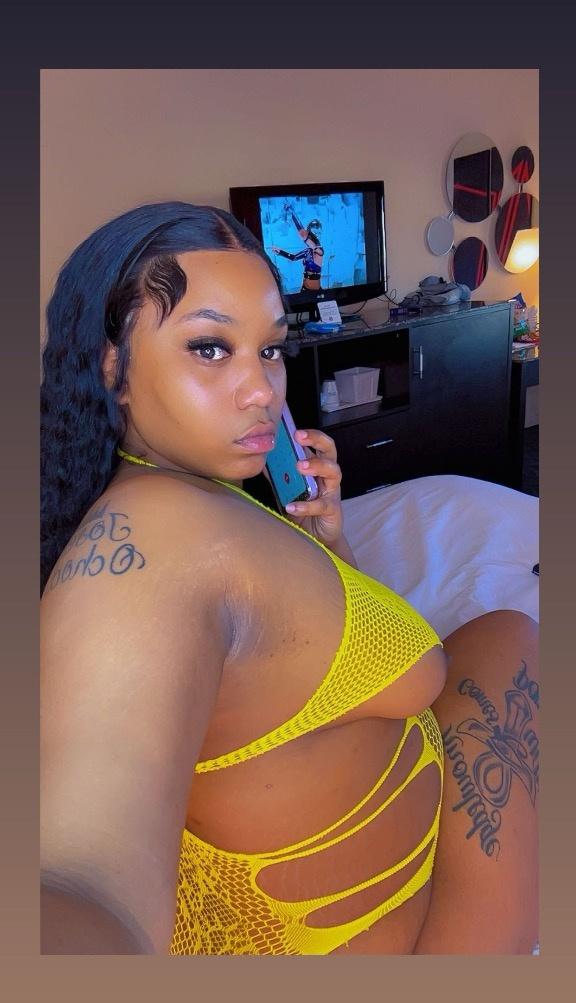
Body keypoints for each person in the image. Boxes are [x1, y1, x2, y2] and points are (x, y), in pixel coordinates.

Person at [41, 201, 539, 955]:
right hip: (394, 937)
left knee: (503, 636)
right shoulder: (146, 543)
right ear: (113, 369)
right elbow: (84, 873)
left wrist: (326, 541)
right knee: (513, 642)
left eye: (270, 348)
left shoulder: (192, 485)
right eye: (210, 348)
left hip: (387, 862)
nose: (262, 392)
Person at [270, 202, 324, 293]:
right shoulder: (307, 251)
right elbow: (294, 257)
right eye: (314, 233)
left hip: (315, 292)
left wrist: (292, 212)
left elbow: (303, 234)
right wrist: (280, 252)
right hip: (304, 289)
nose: (316, 236)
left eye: (318, 233)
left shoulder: (319, 251)